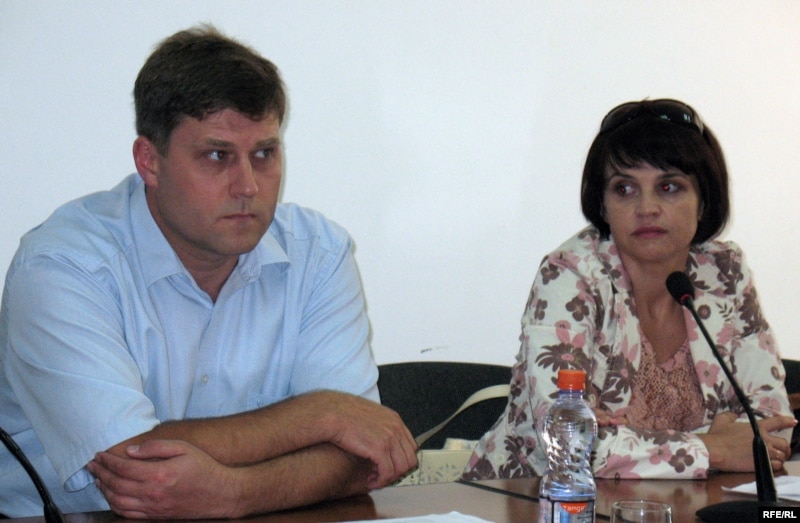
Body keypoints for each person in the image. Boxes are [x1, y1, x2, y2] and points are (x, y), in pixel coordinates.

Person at [0, 25, 417, 519]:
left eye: (264, 154)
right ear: (149, 161)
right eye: (218, 156)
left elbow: (363, 452)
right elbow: (128, 462)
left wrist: (235, 494)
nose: (248, 186)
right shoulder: (63, 267)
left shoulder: (318, 254)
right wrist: (322, 414)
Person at [463, 98, 795, 481]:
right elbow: (568, 442)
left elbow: (773, 426)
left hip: (679, 502)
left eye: (669, 187)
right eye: (624, 189)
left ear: (703, 201)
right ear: (603, 206)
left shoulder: (724, 273)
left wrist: (631, 446)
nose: (647, 207)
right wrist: (712, 447)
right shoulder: (571, 276)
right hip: (531, 498)